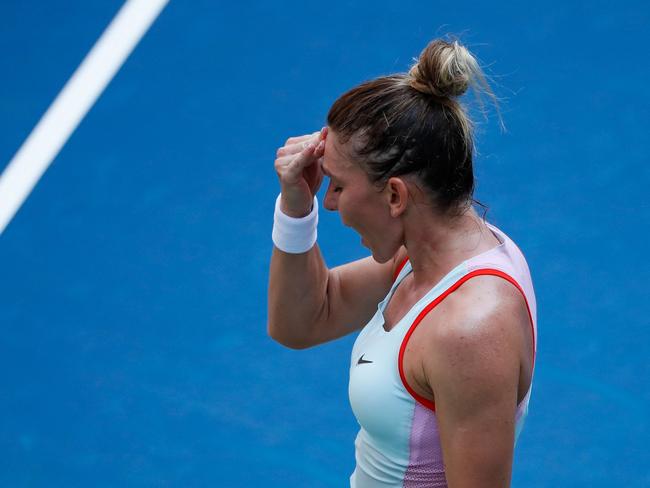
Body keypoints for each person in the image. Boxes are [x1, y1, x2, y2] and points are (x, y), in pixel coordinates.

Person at [268, 38, 537, 488]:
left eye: (335, 185)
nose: (328, 203)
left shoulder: (469, 329)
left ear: (395, 195)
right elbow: (302, 321)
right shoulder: (427, 257)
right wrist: (296, 208)